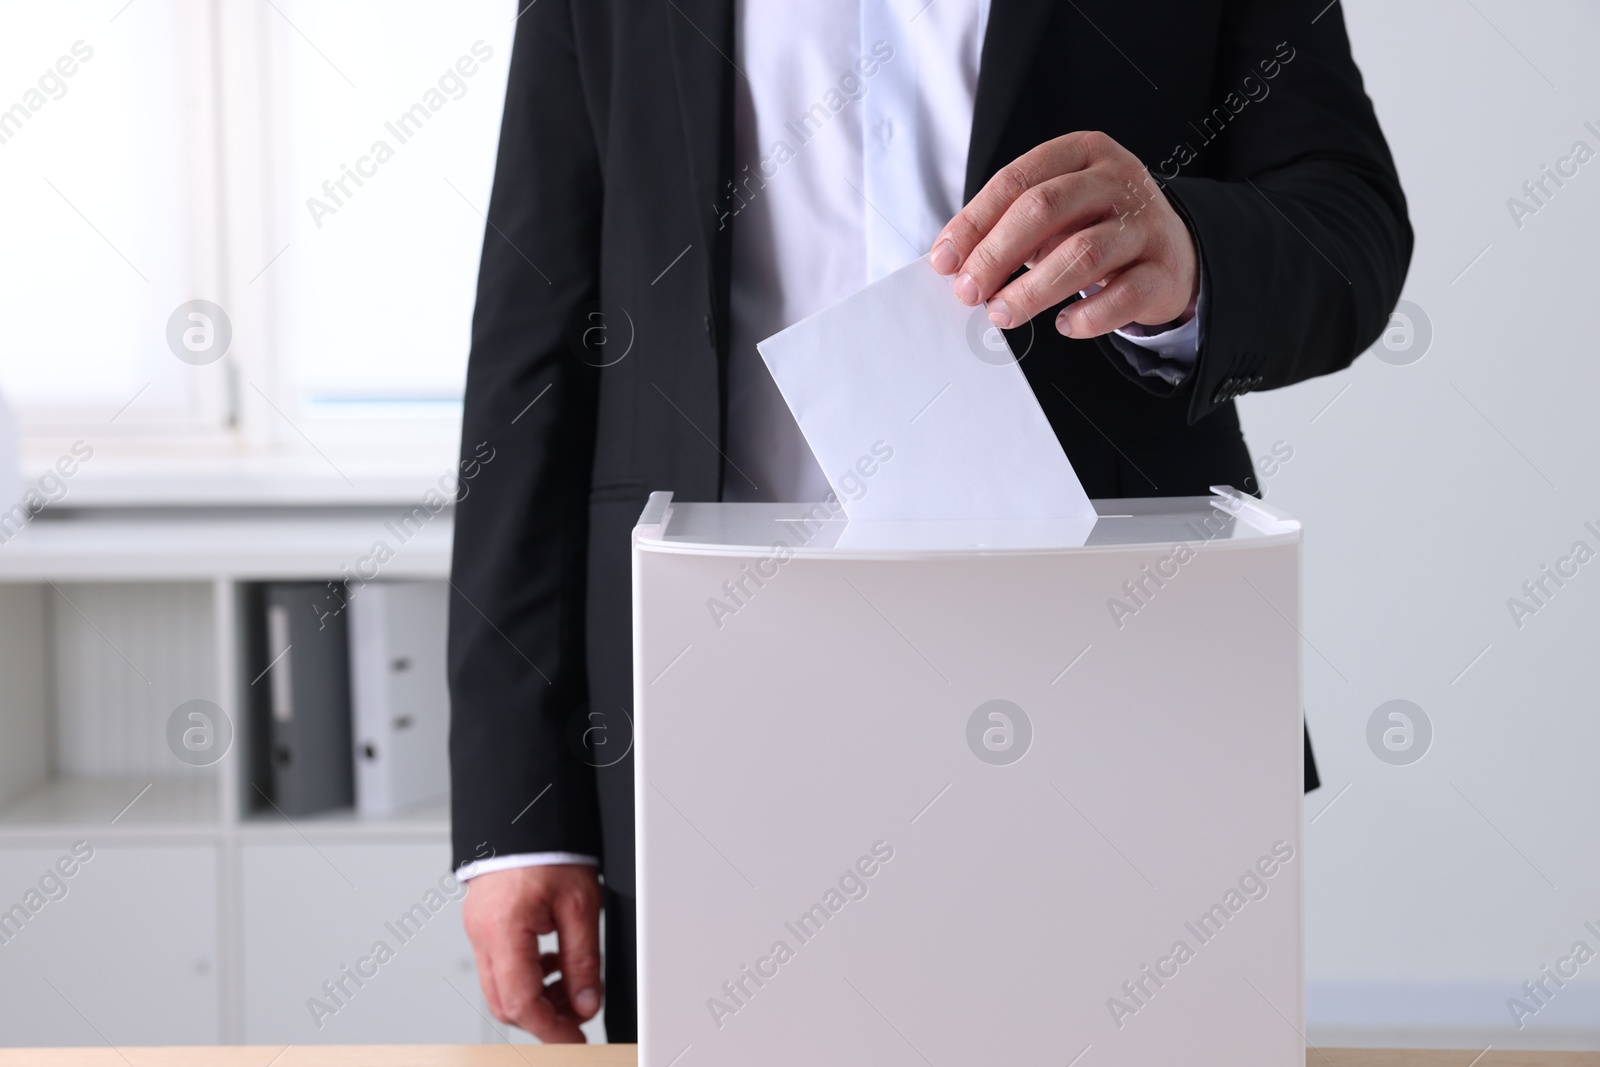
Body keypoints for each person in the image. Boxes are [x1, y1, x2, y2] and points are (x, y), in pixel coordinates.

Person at [448, 0, 1411, 1043]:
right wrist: (520, 806)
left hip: (1117, 680)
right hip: (708, 690)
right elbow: (534, 335)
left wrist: (1187, 255)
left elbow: (1347, 222)